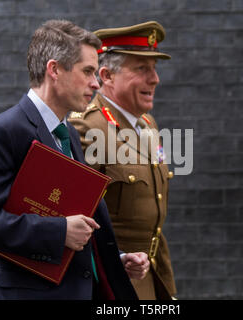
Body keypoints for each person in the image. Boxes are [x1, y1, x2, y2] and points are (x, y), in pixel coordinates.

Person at [0, 19, 149, 300]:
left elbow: (71, 217)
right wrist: (59, 232)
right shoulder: (5, 131)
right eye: (87, 72)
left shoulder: (66, 129)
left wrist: (112, 260)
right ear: (54, 69)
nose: (96, 83)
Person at [69, 21, 176, 299]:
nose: (155, 79)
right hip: (114, 281)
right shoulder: (87, 129)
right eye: (142, 69)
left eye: (154, 69)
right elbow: (74, 217)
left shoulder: (147, 124)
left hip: (153, 275)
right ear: (107, 75)